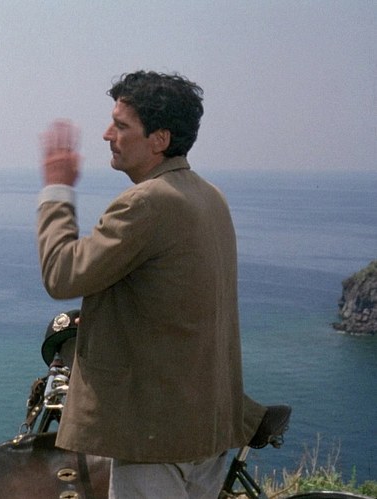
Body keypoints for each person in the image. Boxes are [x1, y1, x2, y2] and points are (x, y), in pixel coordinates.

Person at [36, 71, 266, 498]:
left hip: (155, 438)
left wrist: (57, 189)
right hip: (205, 427)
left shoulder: (148, 201)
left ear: (159, 139)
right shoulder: (209, 196)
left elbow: (62, 273)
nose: (107, 135)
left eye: (121, 126)